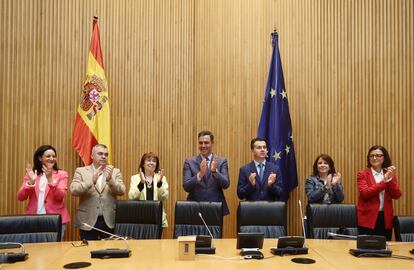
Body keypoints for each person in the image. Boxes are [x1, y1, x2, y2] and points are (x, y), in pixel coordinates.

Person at [70, 144, 125, 240]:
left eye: (106, 154)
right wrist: (91, 181)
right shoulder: (81, 171)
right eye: (100, 154)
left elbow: (121, 191)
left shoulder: (115, 171)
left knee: (109, 251)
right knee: (87, 252)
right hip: (87, 220)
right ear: (92, 156)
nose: (104, 156)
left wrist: (110, 180)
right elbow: (74, 190)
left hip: (109, 220)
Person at [17, 145, 71, 240]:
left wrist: (50, 180)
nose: (52, 158)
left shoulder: (61, 174)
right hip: (34, 218)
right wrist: (31, 182)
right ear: (40, 158)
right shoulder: (32, 174)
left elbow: (60, 196)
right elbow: (20, 197)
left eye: (54, 156)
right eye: (48, 156)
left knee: (55, 251)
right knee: (34, 250)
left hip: (55, 219)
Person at [357, 145, 401, 240]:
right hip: (368, 218)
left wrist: (390, 180)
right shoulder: (362, 174)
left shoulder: (388, 173)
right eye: (371, 156)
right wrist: (384, 182)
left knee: (384, 250)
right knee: (367, 250)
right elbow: (365, 193)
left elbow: (397, 195)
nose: (374, 158)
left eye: (378, 155)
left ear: (384, 157)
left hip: (385, 218)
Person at [183, 130, 230, 215]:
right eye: (200, 143)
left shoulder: (221, 161)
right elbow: (186, 186)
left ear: (212, 143)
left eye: (206, 143)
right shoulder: (189, 162)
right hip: (195, 208)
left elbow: (226, 184)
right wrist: (199, 175)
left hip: (216, 207)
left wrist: (215, 172)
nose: (203, 145)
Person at [129, 152, 169, 228]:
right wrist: (141, 183)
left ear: (156, 164)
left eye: (154, 161)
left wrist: (159, 183)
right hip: (140, 217)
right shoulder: (135, 178)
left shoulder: (162, 178)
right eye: (148, 160)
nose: (151, 163)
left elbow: (164, 197)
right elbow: (132, 197)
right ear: (143, 164)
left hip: (156, 217)